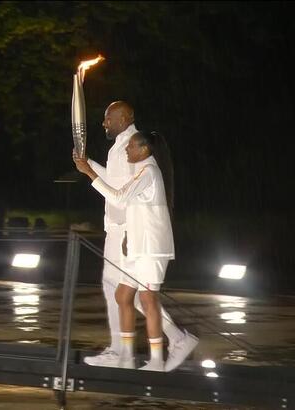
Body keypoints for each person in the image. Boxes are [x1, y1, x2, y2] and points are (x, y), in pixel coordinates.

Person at [77, 101, 197, 371]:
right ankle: (137, 349)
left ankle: (127, 351)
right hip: (122, 228)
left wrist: (88, 171)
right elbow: (117, 182)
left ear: (124, 118)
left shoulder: (131, 146)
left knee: (127, 290)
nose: (104, 123)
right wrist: (88, 164)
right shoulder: (121, 145)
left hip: (130, 231)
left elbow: (123, 194)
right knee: (124, 291)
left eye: (108, 118)